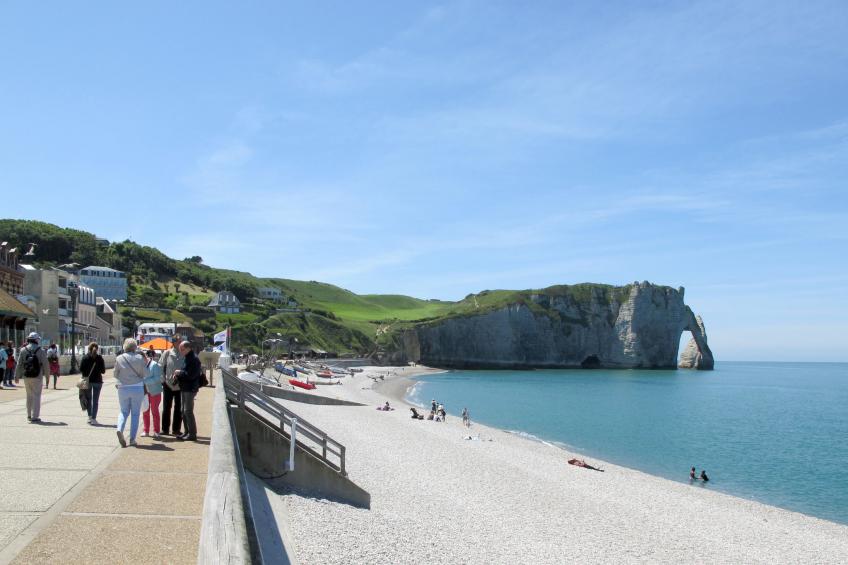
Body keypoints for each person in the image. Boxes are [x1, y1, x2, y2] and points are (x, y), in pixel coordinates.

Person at [113, 338, 148, 447]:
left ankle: (120, 429)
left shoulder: (119, 358)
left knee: (123, 411)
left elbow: (115, 374)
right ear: (135, 347)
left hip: (123, 388)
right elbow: (145, 373)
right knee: (135, 414)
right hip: (137, 387)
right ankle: (132, 439)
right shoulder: (139, 358)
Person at [15, 333, 49, 422]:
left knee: (29, 396)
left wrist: (16, 376)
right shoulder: (41, 350)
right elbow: (46, 365)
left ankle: (29, 415)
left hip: (26, 376)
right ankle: (35, 417)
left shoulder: (23, 350)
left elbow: (19, 364)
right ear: (36, 340)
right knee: (36, 396)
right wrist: (47, 378)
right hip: (37, 376)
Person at [174, 340, 201, 441]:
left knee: (188, 411)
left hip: (190, 388)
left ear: (188, 348)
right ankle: (187, 432)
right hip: (185, 387)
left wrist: (179, 372)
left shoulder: (194, 359)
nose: (180, 351)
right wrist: (179, 374)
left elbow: (190, 375)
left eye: (182, 349)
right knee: (183, 411)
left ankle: (192, 434)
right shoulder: (188, 357)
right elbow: (186, 372)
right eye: (180, 349)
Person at [158, 339, 184, 436]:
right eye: (178, 342)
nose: (180, 343)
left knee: (179, 408)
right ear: (174, 343)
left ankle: (176, 429)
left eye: (181, 341)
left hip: (180, 384)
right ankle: (165, 429)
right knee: (166, 407)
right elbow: (160, 366)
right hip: (168, 384)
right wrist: (163, 380)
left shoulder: (184, 353)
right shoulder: (167, 353)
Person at [78, 342, 106, 424]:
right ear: (97, 349)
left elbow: (81, 369)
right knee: (95, 401)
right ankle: (94, 418)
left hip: (87, 381)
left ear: (89, 349)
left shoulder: (85, 358)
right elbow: (103, 371)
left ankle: (89, 417)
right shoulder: (100, 358)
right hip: (98, 381)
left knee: (88, 399)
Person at [142, 349, 163, 438]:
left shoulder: (154, 365)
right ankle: (146, 430)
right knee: (145, 410)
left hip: (155, 392)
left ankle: (156, 431)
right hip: (145, 392)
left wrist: (145, 381)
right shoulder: (140, 365)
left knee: (154, 411)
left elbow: (158, 378)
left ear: (144, 357)